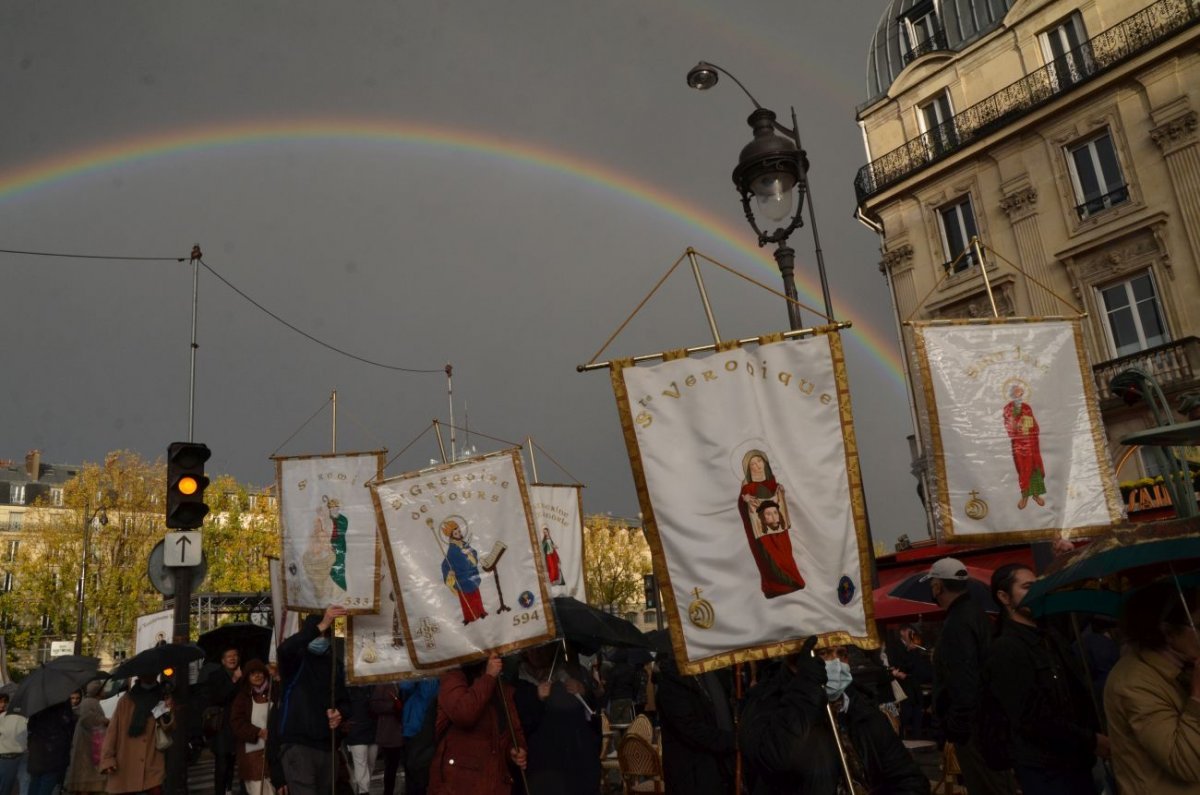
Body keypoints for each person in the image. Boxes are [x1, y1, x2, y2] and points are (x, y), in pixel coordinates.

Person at [739, 637, 929, 794]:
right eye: (824, 653)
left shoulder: (861, 706)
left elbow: (908, 778)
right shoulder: (764, 701)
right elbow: (774, 760)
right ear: (795, 662)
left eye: (842, 654)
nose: (836, 663)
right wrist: (806, 690)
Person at [984, 563, 1105, 794]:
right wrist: (1090, 740)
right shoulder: (1005, 648)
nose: (1036, 592)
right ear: (1004, 597)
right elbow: (1032, 718)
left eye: (1038, 586)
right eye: (1028, 587)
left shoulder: (1050, 635)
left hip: (1076, 761)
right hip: (1045, 770)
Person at [924, 557, 1015, 795]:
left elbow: (964, 679)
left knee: (987, 786)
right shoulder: (974, 614)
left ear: (937, 587)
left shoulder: (958, 623)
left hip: (975, 729)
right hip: (985, 722)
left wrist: (957, 727)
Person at [1104, 581, 1200, 794]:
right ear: (1168, 632)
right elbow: (1185, 762)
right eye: (1199, 626)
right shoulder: (1133, 683)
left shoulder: (1183, 666)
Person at [276, 606, 350, 795]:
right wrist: (321, 624)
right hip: (299, 745)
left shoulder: (336, 664)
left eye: (326, 634)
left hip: (328, 746)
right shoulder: (295, 661)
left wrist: (340, 713)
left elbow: (346, 701)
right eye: (319, 633)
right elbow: (285, 648)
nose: (322, 638)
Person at [429, 653, 526, 795]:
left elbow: (513, 730)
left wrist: (515, 750)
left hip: (493, 783)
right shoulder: (453, 677)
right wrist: (488, 677)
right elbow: (464, 714)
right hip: (458, 785)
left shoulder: (502, 687)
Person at [511, 643, 600, 795]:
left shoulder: (571, 674)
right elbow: (516, 722)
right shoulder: (517, 682)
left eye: (542, 648)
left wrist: (583, 691)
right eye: (532, 649)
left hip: (571, 764)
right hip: (538, 765)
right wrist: (535, 697)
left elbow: (592, 717)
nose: (537, 653)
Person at [654, 650, 735, 794]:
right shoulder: (671, 682)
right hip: (691, 773)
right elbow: (689, 728)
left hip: (714, 768)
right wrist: (731, 741)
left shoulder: (707, 675)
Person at [737, 450, 805, 598]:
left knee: (785, 555)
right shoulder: (747, 487)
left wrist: (780, 491)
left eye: (759, 461)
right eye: (752, 464)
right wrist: (745, 499)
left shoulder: (772, 481)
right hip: (762, 532)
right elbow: (744, 508)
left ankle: (792, 581)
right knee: (769, 557)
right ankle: (775, 587)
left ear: (765, 463)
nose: (757, 466)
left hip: (779, 530)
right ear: (749, 469)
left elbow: (779, 503)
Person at [99, 675, 174, 795]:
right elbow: (113, 731)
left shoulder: (162, 697)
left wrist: (168, 710)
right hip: (126, 762)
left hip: (152, 761)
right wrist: (108, 759)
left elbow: (167, 728)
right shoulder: (126, 700)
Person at [228, 660, 273, 795]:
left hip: (273, 752)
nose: (257, 676)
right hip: (251, 754)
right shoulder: (243, 698)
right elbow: (236, 723)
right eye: (253, 674)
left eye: (260, 673)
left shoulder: (273, 691)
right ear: (247, 677)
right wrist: (257, 732)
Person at [201, 647, 242, 795]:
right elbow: (217, 698)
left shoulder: (244, 674)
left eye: (235, 655)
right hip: (222, 725)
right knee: (222, 762)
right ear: (223, 661)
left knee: (234, 761)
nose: (233, 658)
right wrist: (234, 680)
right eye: (229, 656)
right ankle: (220, 791)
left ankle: (229, 789)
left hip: (239, 723)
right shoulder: (215, 676)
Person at [1002, 380, 1046, 509]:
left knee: (1035, 468)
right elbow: (1009, 425)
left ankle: (1036, 494)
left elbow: (1033, 423)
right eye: (1016, 392)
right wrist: (1018, 425)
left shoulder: (1027, 407)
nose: (1019, 395)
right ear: (1012, 394)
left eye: (1020, 392)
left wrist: (1030, 427)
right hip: (1019, 444)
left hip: (1031, 443)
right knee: (1023, 469)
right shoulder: (1008, 408)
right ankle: (1024, 496)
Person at [439, 518, 487, 625]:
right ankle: (469, 617)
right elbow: (452, 562)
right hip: (462, 578)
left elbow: (473, 552)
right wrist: (450, 573)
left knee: (476, 596)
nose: (459, 534)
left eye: (459, 531)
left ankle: (481, 611)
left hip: (472, 575)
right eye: (455, 533)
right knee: (466, 599)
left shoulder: (464, 544)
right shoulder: (453, 549)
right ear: (451, 535)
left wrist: (470, 553)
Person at [64, 680, 108, 795]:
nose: (105, 691)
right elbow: (88, 720)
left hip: (89, 742)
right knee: (86, 777)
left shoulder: (91, 702)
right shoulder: (90, 702)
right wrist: (106, 721)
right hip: (88, 744)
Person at [397, 679, 439, 795]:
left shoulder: (431, 677)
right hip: (414, 727)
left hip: (420, 727)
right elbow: (405, 686)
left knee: (419, 773)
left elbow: (407, 686)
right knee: (413, 771)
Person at [27, 697, 76, 795]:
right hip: (54, 754)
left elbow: (30, 727)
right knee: (46, 785)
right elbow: (68, 726)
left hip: (37, 752)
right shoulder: (62, 702)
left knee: (35, 783)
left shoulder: (37, 704)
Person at [890, 625, 932, 740]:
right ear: (902, 632)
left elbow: (918, 665)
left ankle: (917, 737)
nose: (912, 634)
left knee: (918, 711)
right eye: (910, 632)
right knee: (906, 712)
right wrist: (908, 651)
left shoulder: (914, 647)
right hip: (904, 685)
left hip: (915, 683)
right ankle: (904, 737)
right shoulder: (896, 647)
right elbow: (900, 665)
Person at [368, 684, 405, 795]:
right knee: (391, 767)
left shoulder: (403, 684)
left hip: (404, 731)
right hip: (389, 733)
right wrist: (393, 705)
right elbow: (374, 705)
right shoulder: (382, 686)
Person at [343, 686, 377, 795]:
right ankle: (364, 791)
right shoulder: (348, 686)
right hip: (357, 730)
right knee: (362, 765)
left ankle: (362, 790)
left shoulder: (372, 685)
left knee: (369, 765)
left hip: (370, 730)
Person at [0, 691, 28, 795]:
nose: (3, 705)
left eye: (5, 702)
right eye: (0, 702)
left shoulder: (9, 716)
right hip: (5, 759)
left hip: (14, 756)